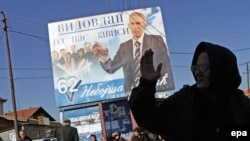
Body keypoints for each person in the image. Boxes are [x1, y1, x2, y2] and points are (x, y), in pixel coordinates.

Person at [129, 41, 250, 141]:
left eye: (203, 67)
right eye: (195, 67)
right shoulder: (183, 100)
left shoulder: (241, 105)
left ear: (221, 68)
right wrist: (147, 83)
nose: (197, 73)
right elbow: (150, 120)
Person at [94, 12, 174, 95]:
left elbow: (166, 65)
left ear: (144, 25)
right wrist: (105, 58)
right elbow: (111, 68)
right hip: (133, 94)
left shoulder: (156, 40)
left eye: (138, 23)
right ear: (129, 25)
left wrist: (167, 85)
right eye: (132, 24)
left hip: (155, 89)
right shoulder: (124, 47)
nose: (135, 27)